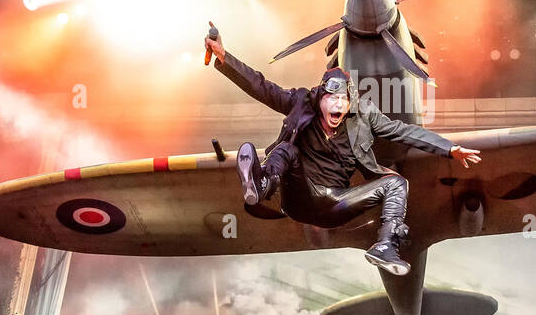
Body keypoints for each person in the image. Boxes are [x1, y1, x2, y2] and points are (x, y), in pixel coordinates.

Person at [204, 23, 481, 275]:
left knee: (396, 184)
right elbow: (261, 86)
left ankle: (386, 245)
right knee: (287, 151)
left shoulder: (363, 115)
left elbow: (403, 131)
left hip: (337, 202)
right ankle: (263, 182)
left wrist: (449, 148)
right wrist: (224, 56)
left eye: (343, 99)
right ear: (319, 97)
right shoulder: (301, 101)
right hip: (298, 196)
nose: (338, 105)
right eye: (332, 98)